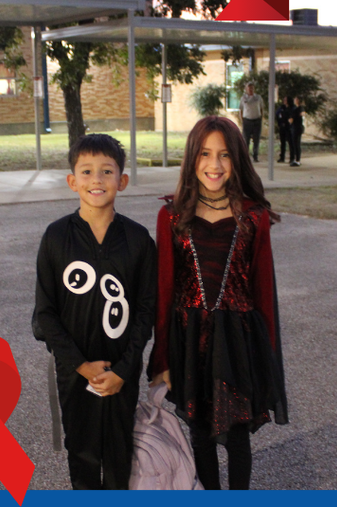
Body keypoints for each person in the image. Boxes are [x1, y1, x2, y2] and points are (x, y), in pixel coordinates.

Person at [149, 116, 287, 489]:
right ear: (193, 159)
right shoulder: (172, 216)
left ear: (237, 159)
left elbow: (264, 294)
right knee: (200, 434)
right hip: (190, 341)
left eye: (224, 155)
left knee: (237, 436)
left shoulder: (253, 217)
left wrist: (267, 360)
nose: (214, 165)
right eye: (206, 154)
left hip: (238, 344)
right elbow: (164, 292)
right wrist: (161, 359)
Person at [33, 134, 156, 489]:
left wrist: (125, 367)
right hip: (75, 373)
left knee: (119, 456)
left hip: (122, 371)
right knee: (83, 454)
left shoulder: (137, 239)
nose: (97, 180)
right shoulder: (56, 237)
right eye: (86, 172)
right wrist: (80, 365)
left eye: (107, 171)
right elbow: (46, 312)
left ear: (123, 180)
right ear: (73, 181)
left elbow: (146, 310)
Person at [239, 81, 264, 162]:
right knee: (246, 140)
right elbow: (241, 110)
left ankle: (255, 156)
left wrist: (261, 118)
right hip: (247, 121)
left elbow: (261, 109)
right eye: (249, 88)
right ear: (246, 89)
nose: (251, 90)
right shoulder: (243, 98)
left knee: (256, 139)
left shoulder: (258, 98)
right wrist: (242, 120)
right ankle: (246, 157)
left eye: (252, 88)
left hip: (256, 120)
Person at [288, 96, 304, 168]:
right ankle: (296, 159)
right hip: (297, 127)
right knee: (296, 144)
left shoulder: (298, 109)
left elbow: (292, 118)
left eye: (296, 99)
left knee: (296, 144)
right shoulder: (298, 109)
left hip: (296, 127)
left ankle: (297, 160)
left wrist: (290, 121)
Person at [276, 94, 291, 163]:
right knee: (282, 143)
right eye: (284, 100)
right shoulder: (282, 107)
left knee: (290, 142)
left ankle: (292, 157)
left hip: (288, 127)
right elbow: (277, 114)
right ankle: (282, 157)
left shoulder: (291, 108)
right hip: (282, 127)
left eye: (286, 100)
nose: (284, 101)